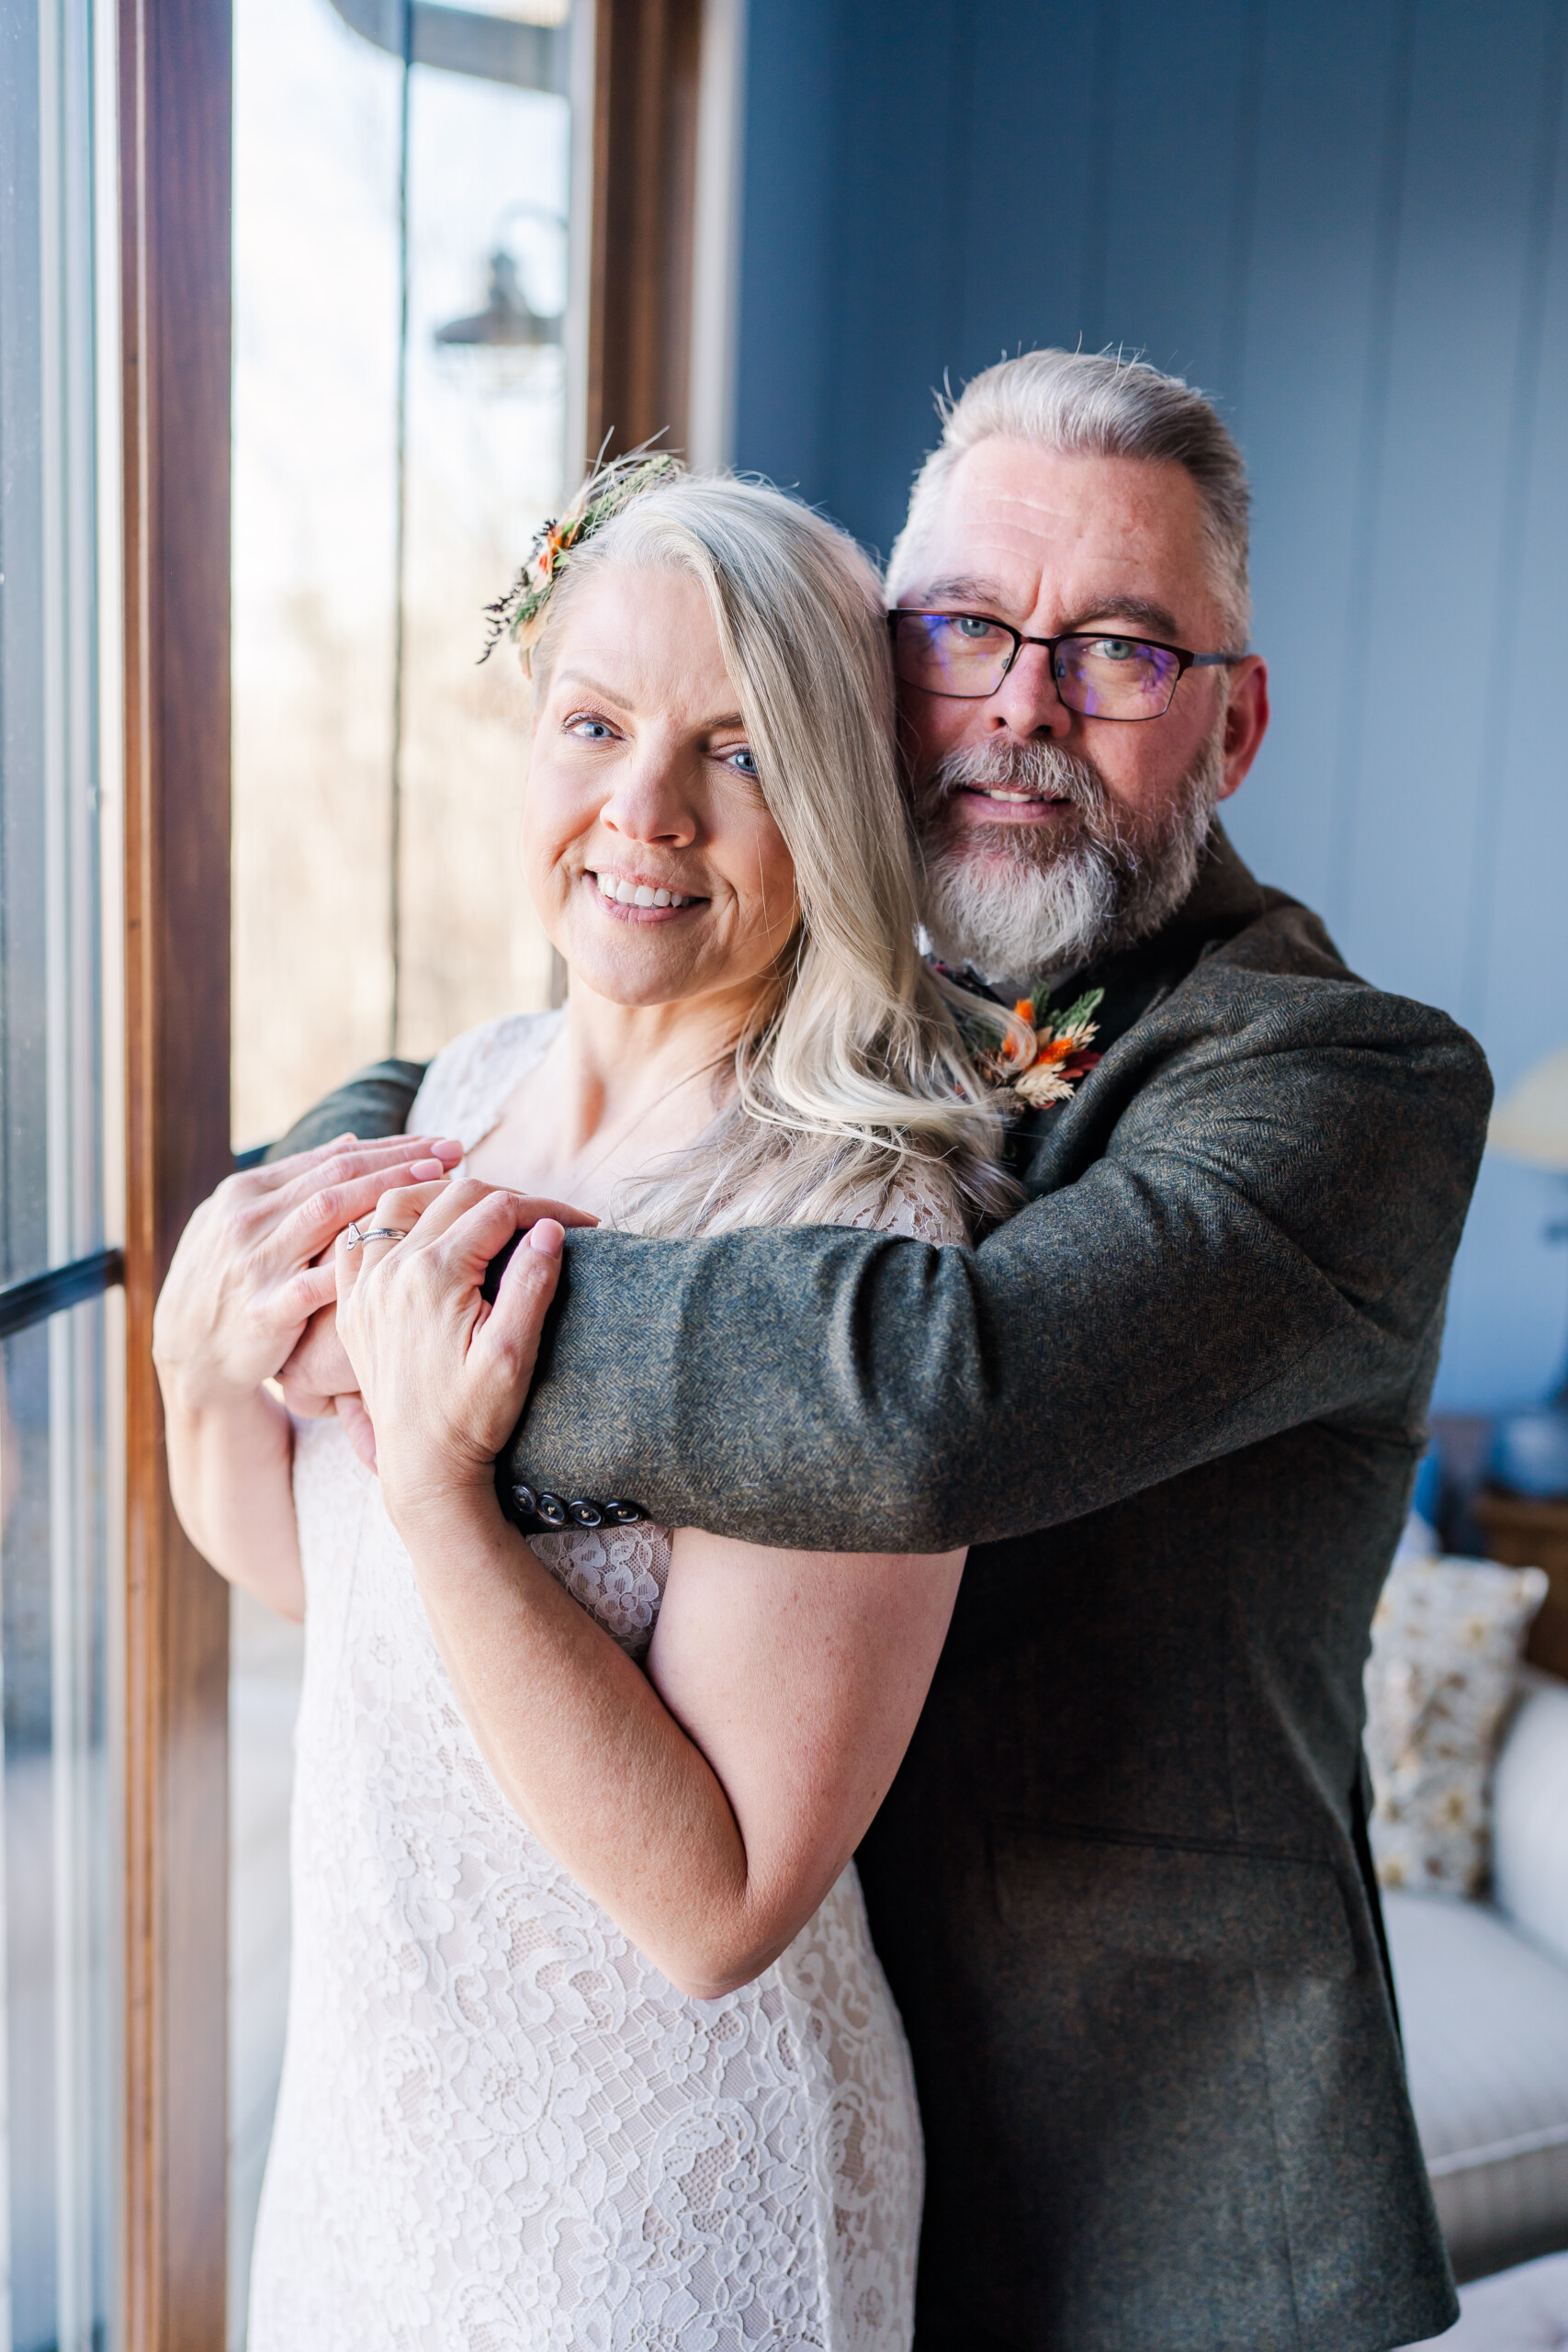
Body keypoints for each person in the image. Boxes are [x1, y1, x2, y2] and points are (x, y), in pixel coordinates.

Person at [271, 351, 1492, 2352]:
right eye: (966, 629)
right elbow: (452, 1079)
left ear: (1232, 719)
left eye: (1115, 648)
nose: (1018, 704)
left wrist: (400, 1319)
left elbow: (930, 1393)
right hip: (769, 2054)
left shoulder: (1343, 1083)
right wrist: (286, 1210)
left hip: (1143, 2160)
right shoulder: (852, 995)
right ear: (878, 673)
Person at [153, 466, 1023, 2349]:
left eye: (739, 751)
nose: (643, 808)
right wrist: (195, 1367)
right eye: (596, 724)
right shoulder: (459, 1092)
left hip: (655, 2205)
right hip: (378, 2139)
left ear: (841, 808)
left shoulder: (851, 1231)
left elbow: (717, 1905)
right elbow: (321, 1582)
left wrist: (450, 1499)